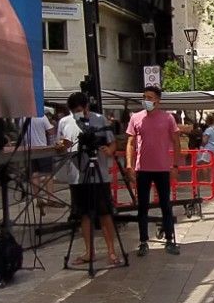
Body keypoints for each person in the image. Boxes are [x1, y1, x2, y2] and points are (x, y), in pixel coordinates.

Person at [57, 91, 120, 267]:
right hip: (78, 175)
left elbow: (112, 143)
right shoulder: (64, 122)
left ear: (86, 106)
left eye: (79, 109)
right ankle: (88, 251)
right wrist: (62, 146)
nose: (77, 113)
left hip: (99, 174)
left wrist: (110, 150)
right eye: (73, 110)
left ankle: (112, 251)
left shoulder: (100, 119)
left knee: (104, 213)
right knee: (84, 214)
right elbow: (59, 146)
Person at [125, 84, 180, 256]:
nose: (146, 101)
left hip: (162, 168)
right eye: (144, 97)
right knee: (142, 206)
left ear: (158, 100)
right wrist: (129, 165)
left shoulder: (168, 118)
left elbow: (177, 143)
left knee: (165, 204)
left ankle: (170, 239)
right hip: (143, 169)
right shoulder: (136, 118)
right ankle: (143, 241)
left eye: (149, 98)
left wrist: (176, 165)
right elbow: (130, 143)